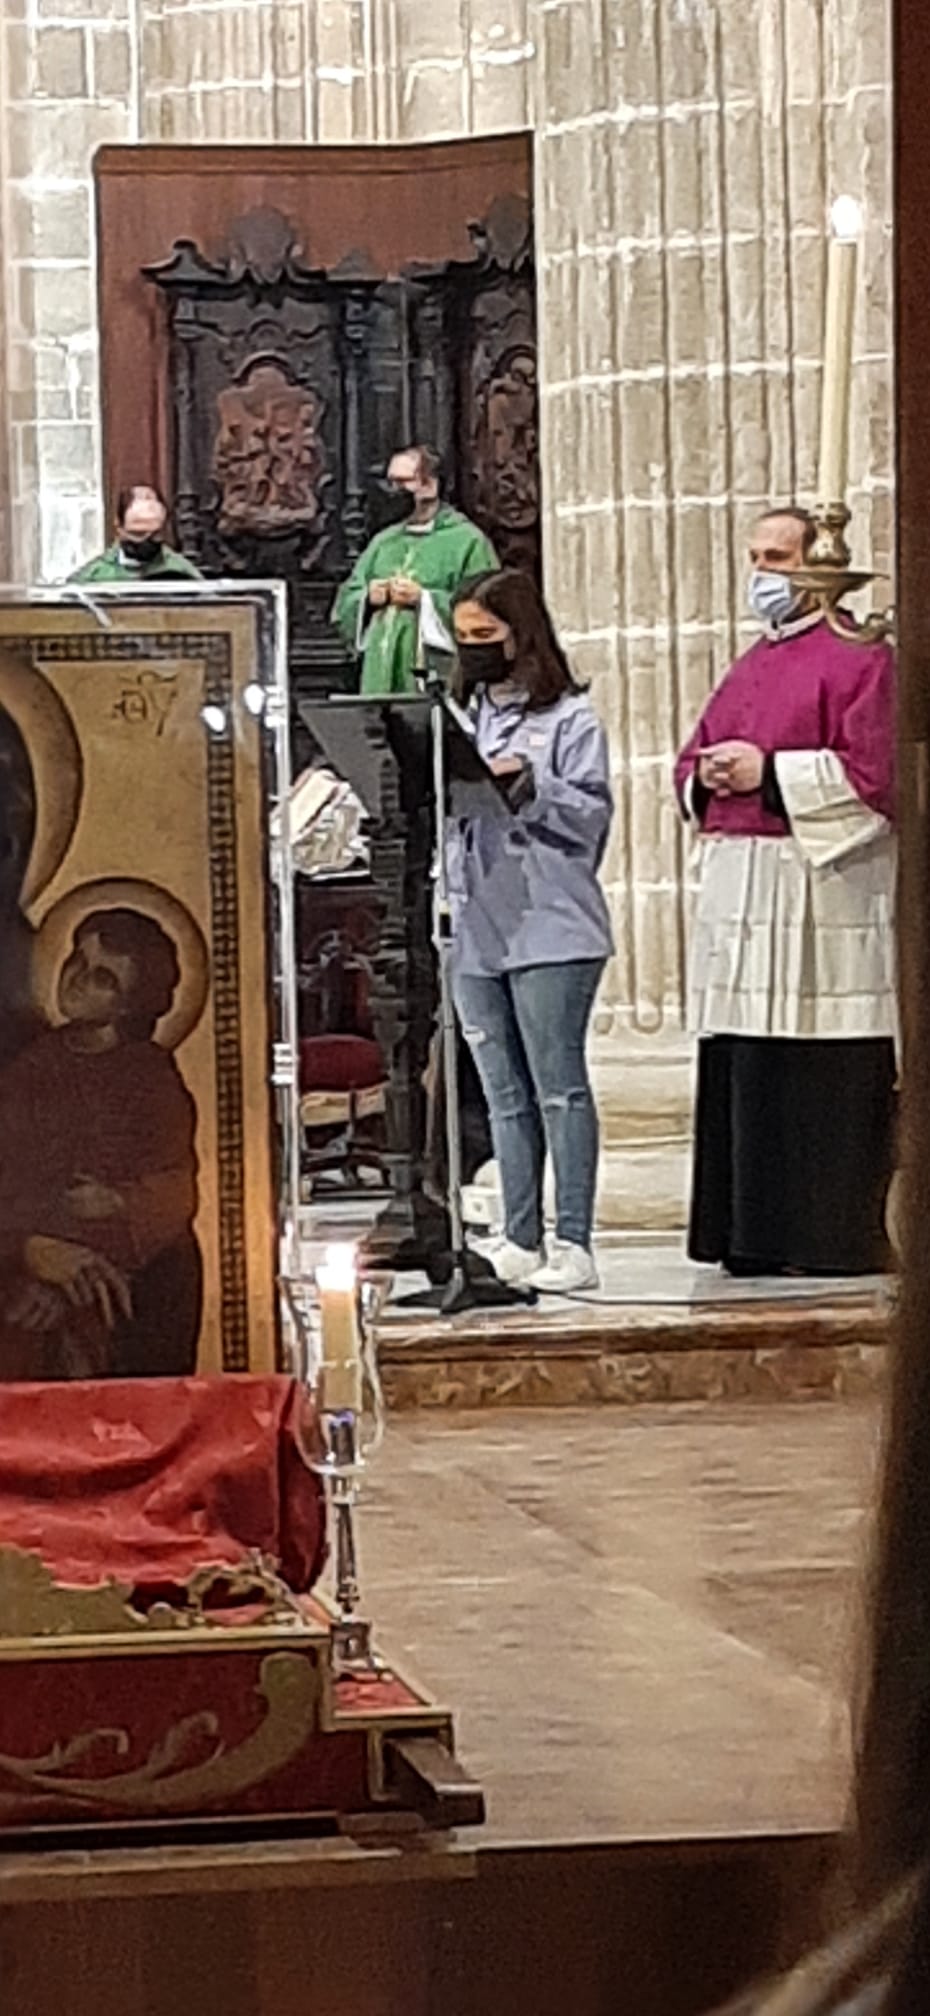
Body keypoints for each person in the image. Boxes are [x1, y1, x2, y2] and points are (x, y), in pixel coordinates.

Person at [674, 505, 896, 1277]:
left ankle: (826, 1237)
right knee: (747, 1059)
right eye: (755, 557)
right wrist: (706, 773)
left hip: (822, 887)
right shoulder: (752, 661)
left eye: (776, 557)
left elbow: (878, 778)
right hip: (743, 884)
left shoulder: (863, 659)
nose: (761, 573)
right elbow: (695, 755)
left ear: (819, 566)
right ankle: (748, 1233)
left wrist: (768, 772)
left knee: (816, 1062)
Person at [447, 569, 613, 1293]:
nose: (473, 649)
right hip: (475, 924)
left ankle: (573, 1240)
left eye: (486, 635)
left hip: (552, 923)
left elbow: (592, 820)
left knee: (558, 1087)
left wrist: (532, 784)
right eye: (463, 638)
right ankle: (518, 1237)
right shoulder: (462, 715)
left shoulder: (571, 719)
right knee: (502, 1093)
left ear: (522, 635)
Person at [0, 906, 202, 1379]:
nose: (76, 980)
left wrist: (118, 1201)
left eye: (102, 978)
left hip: (134, 1281)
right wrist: (29, 1254)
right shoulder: (29, 1070)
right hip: (29, 1267)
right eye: (77, 960)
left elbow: (175, 1189)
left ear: (130, 1004)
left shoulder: (150, 1078)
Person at [332, 445, 497, 695]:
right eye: (389, 482)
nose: (391, 491)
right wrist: (368, 598)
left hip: (435, 673)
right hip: (379, 668)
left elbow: (486, 607)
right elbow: (345, 602)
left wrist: (424, 599)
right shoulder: (383, 542)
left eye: (402, 482)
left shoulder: (468, 541)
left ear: (430, 485)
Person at [69, 484, 202, 584]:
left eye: (155, 535)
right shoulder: (91, 577)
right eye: (138, 533)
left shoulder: (183, 572)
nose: (145, 541)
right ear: (119, 526)